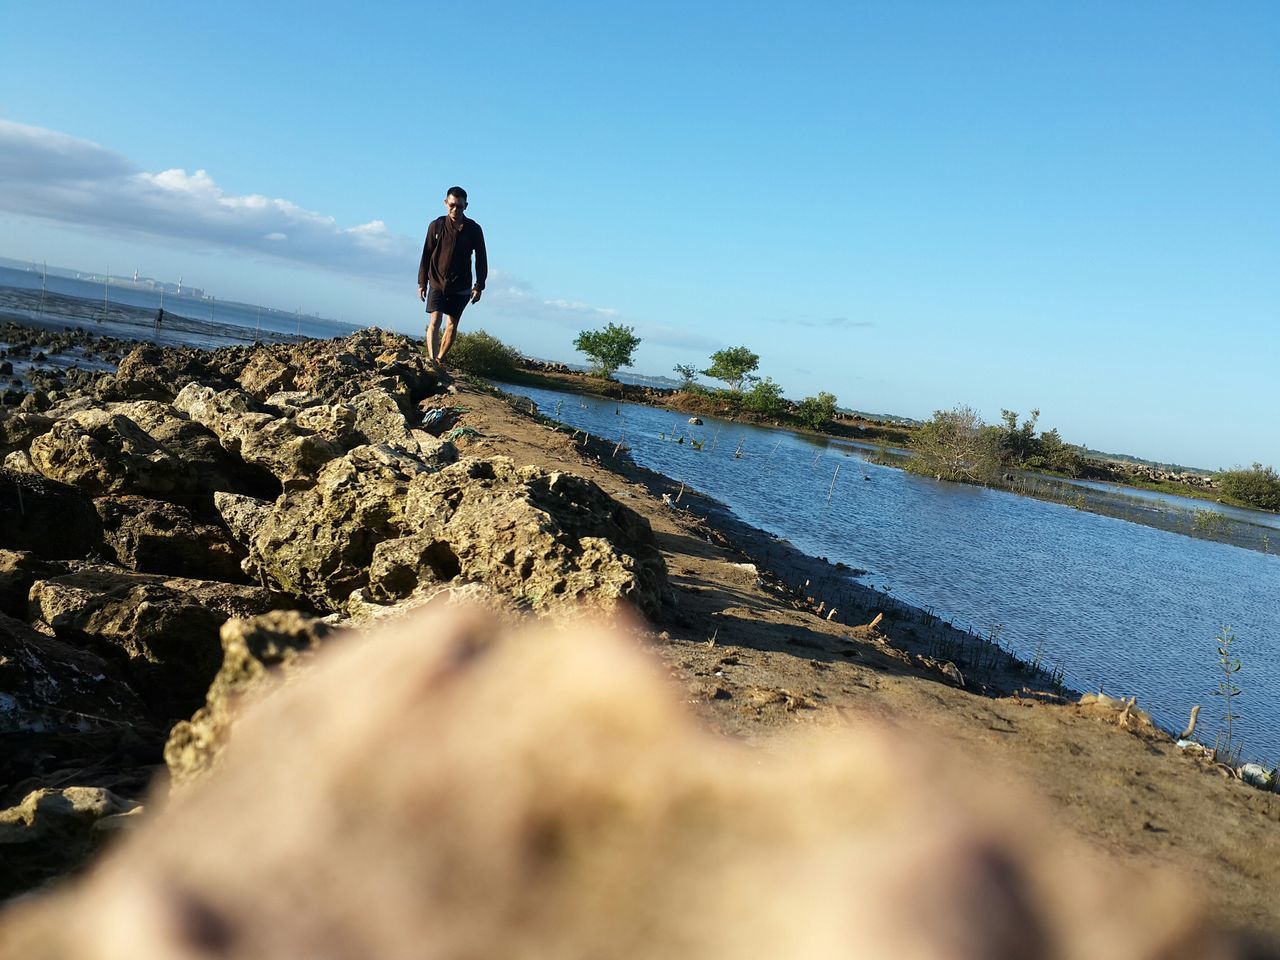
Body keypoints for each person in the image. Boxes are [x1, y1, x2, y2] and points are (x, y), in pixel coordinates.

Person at [418, 186, 487, 369]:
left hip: (462, 285)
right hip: (437, 281)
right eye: (452, 205)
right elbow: (426, 254)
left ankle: (440, 358)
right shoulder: (436, 226)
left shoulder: (474, 229)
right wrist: (421, 282)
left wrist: (479, 286)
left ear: (466, 206)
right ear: (445, 203)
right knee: (435, 320)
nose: (455, 209)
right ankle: (432, 362)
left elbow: (481, 258)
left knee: (451, 325)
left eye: (460, 206)